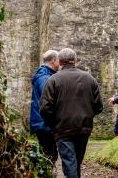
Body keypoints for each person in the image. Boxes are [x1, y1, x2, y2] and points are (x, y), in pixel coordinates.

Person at [40, 48, 103, 178]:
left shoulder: (53, 80)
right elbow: (98, 106)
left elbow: (45, 108)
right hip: (83, 128)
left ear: (60, 61)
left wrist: (54, 124)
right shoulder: (89, 79)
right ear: (75, 60)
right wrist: (86, 116)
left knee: (70, 164)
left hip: (62, 129)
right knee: (74, 164)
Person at [30, 50, 60, 163]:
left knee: (49, 154)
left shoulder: (45, 75)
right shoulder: (45, 78)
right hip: (44, 123)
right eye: (58, 60)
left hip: (43, 122)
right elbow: (48, 101)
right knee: (49, 155)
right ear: (53, 61)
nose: (60, 64)